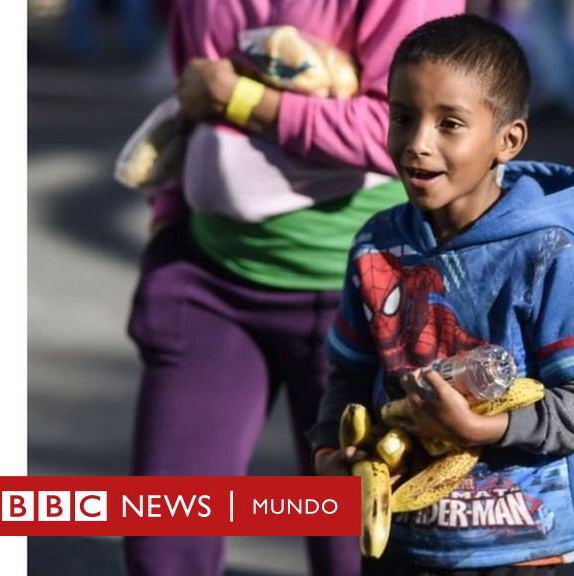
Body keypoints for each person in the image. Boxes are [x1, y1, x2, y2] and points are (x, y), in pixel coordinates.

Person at [123, 1, 463, 575]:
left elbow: (408, 127)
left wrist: (245, 101)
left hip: (368, 304)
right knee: (164, 544)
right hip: (212, 283)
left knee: (358, 551)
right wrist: (168, 217)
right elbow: (191, 92)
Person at [310, 14, 574, 575]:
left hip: (520, 549)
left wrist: (486, 429)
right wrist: (330, 454)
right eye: (403, 117)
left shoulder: (547, 254)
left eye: (449, 123)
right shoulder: (375, 245)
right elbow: (348, 375)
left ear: (507, 140)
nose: (416, 144)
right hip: (400, 543)